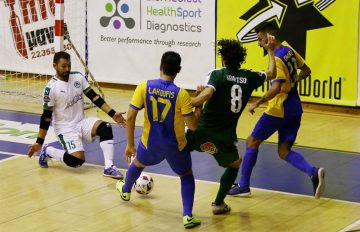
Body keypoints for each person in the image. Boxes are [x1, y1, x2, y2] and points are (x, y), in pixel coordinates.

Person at [228, 22, 325, 199]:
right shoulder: (288, 50)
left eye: (260, 39)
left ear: (268, 37)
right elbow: (306, 70)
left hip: (278, 109)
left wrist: (257, 102)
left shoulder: (277, 58)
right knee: (283, 151)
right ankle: (313, 172)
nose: (259, 43)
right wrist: (293, 81)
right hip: (295, 108)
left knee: (251, 142)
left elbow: (276, 88)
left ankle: (244, 186)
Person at [186, 37, 276, 215]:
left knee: (173, 147)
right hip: (225, 138)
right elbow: (271, 73)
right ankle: (218, 204)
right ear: (240, 59)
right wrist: (271, 51)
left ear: (223, 58)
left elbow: (206, 95)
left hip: (200, 132)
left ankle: (136, 170)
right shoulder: (250, 76)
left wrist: (190, 100)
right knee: (235, 164)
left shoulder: (217, 74)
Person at [116, 51, 202, 229]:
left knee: (138, 162)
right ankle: (187, 216)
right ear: (178, 70)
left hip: (150, 143)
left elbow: (130, 117)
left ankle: (125, 191)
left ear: (160, 66)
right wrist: (199, 105)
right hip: (175, 146)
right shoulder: (182, 95)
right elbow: (192, 125)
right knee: (186, 175)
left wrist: (130, 145)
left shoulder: (144, 86)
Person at [27, 51, 126, 179]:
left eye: (69, 65)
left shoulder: (78, 77)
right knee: (77, 161)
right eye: (63, 66)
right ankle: (48, 151)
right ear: (54, 65)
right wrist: (39, 142)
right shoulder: (51, 88)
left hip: (81, 122)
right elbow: (46, 117)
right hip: (65, 128)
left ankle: (109, 167)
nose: (67, 69)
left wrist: (113, 114)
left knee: (105, 127)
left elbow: (94, 97)